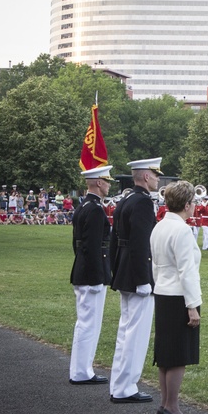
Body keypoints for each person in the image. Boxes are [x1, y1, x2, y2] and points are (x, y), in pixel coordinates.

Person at [108, 157, 162, 404]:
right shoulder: (142, 203)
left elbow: (115, 239)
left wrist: (116, 270)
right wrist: (144, 278)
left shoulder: (126, 199)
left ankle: (119, 384)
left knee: (125, 330)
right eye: (156, 174)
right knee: (135, 334)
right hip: (136, 273)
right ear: (147, 176)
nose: (158, 179)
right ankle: (126, 387)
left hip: (124, 271)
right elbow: (141, 243)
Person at [150, 181, 203, 414]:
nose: (194, 207)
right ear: (186, 204)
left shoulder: (159, 226)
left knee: (166, 355)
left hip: (162, 293)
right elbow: (186, 270)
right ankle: (172, 406)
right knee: (178, 355)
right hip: (178, 296)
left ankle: (165, 404)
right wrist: (192, 305)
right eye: (193, 203)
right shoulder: (181, 230)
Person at [69, 165, 115, 385]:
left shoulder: (84, 206)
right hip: (91, 275)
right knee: (89, 324)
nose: (108, 185)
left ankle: (81, 370)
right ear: (98, 182)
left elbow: (77, 245)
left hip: (83, 271)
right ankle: (81, 372)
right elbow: (93, 247)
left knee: (85, 323)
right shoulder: (95, 209)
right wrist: (98, 277)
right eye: (106, 181)